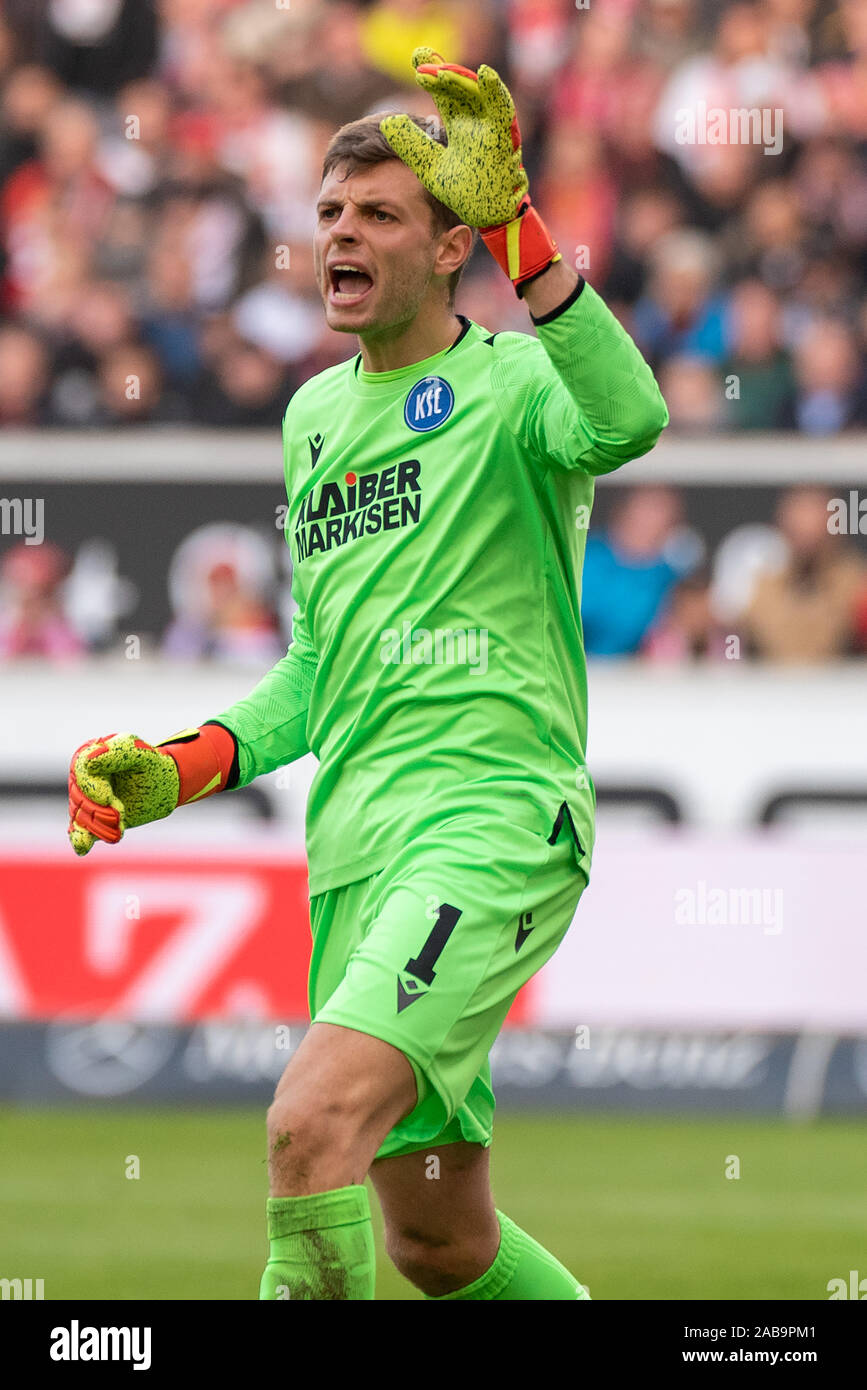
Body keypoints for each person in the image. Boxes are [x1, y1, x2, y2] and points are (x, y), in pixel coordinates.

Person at [67, 48, 668, 1301]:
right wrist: (181, 766)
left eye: (380, 214)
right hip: (356, 847)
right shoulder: (312, 421)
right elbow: (317, 669)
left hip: (492, 816)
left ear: (450, 248)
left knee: (306, 1123)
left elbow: (629, 421)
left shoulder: (515, 385)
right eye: (331, 213)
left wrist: (519, 220)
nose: (342, 232)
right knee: (437, 1243)